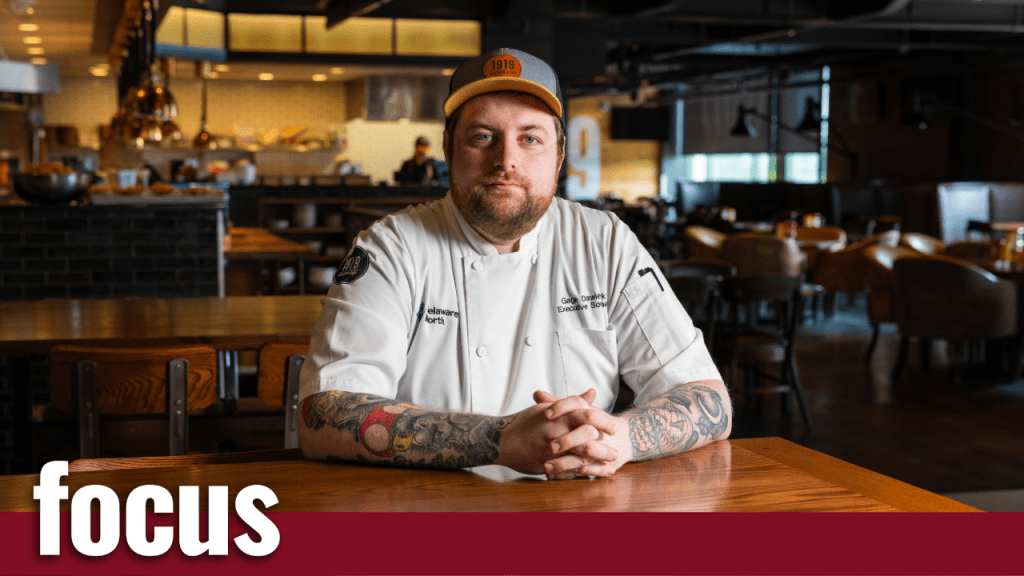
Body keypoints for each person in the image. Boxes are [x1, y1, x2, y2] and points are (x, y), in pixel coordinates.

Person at [298, 47, 731, 479]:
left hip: (577, 509)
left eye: (530, 138)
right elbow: (323, 414)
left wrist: (622, 437)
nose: (506, 160)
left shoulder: (605, 241)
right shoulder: (392, 247)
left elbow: (709, 400)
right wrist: (498, 439)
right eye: (483, 136)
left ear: (559, 157)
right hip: (434, 512)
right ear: (448, 149)